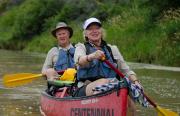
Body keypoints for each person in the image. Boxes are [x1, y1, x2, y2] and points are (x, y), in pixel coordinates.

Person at [74, 17, 142, 116]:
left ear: (101, 31)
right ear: (85, 33)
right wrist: (92, 56)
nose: (94, 31)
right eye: (90, 29)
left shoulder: (112, 49)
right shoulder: (81, 47)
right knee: (103, 82)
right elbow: (80, 61)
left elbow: (126, 71)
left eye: (97, 28)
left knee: (128, 95)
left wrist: (136, 82)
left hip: (112, 87)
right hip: (86, 87)